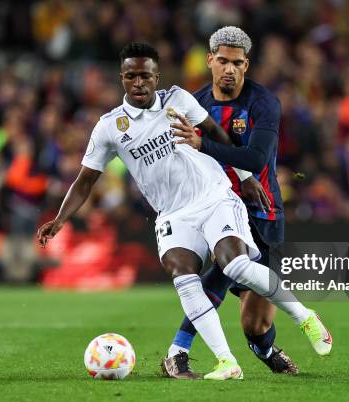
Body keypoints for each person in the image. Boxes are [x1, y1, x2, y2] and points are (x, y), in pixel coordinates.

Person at [37, 43, 332, 381]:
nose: (138, 83)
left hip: (214, 196)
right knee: (183, 275)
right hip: (172, 214)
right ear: (122, 78)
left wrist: (245, 177)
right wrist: (60, 219)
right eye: (131, 76)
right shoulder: (109, 127)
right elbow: (85, 181)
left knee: (234, 263)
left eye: (145, 75)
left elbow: (216, 134)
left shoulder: (177, 99)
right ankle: (226, 362)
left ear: (156, 77)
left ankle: (304, 316)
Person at [162, 26, 300, 379]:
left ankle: (264, 347)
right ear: (209, 61)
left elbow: (255, 158)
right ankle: (177, 352)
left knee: (255, 323)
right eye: (222, 61)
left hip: (262, 210)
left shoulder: (263, 102)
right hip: (216, 206)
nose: (229, 69)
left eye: (236, 63)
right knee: (219, 271)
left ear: (246, 65)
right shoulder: (195, 105)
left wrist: (206, 147)